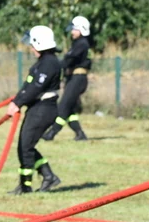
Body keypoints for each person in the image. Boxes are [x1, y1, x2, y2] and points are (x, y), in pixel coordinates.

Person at [6, 25, 63, 194]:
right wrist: (17, 100)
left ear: (39, 44)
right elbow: (28, 86)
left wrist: (18, 103)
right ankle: (46, 177)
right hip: (37, 108)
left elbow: (36, 87)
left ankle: (27, 186)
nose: (30, 48)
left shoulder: (49, 63)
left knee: (26, 146)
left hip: (44, 109)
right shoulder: (42, 63)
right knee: (25, 146)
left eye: (32, 44)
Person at [42, 15, 91, 142]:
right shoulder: (78, 43)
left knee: (63, 107)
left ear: (81, 29)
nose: (72, 32)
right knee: (70, 109)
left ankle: (51, 133)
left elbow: (69, 59)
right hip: (74, 78)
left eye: (74, 29)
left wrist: (56, 67)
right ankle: (80, 134)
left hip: (78, 78)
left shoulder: (82, 44)